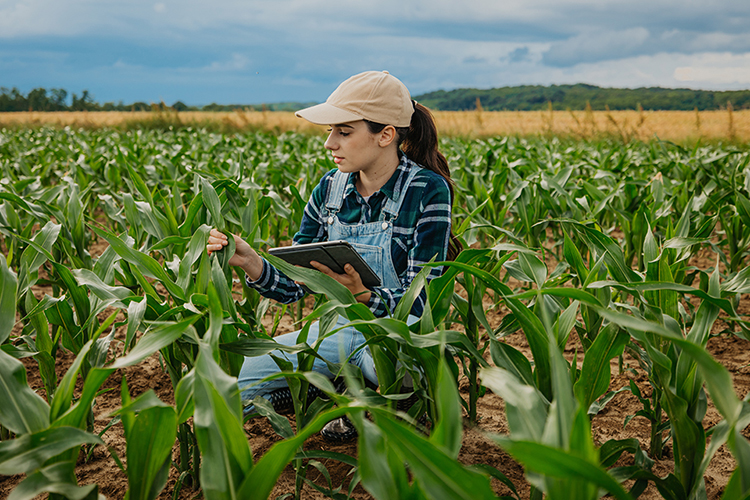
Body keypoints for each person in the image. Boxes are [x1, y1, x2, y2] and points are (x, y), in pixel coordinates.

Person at [206, 70, 460, 439]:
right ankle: (332, 391)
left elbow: (426, 301)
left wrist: (364, 297)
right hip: (339, 331)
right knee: (230, 385)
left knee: (400, 377)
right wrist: (251, 261)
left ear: (385, 134)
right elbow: (294, 285)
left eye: (343, 131)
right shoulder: (330, 188)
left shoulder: (426, 190)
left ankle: (390, 402)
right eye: (330, 132)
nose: (329, 143)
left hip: (400, 338)